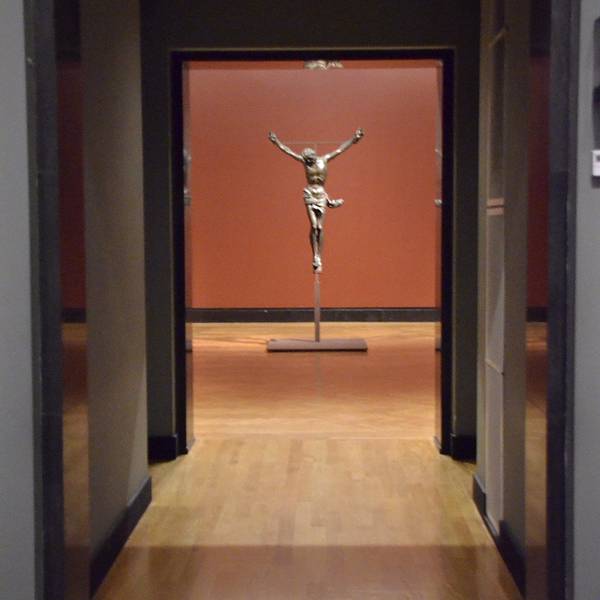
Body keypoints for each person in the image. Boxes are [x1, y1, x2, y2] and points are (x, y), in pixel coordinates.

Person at [268, 128, 364, 273]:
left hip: (321, 194)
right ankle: (316, 256)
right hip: (309, 194)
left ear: (313, 156)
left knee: (320, 227)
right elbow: (289, 152)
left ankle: (319, 255)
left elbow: (339, 150)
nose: (308, 162)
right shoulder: (305, 162)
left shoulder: (324, 159)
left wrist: (353, 139)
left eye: (309, 160)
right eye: (306, 161)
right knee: (313, 226)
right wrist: (276, 142)